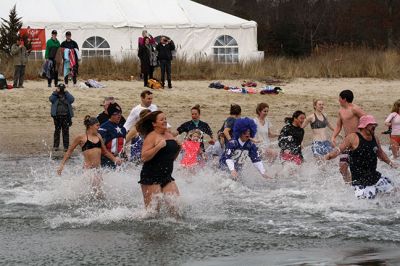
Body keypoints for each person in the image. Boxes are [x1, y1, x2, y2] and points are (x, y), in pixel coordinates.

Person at [325, 115, 396, 199]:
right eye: (371, 124)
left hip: (374, 177)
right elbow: (340, 149)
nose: (374, 126)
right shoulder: (353, 137)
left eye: (375, 124)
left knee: (394, 193)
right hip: (360, 182)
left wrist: (391, 163)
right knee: (367, 205)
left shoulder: (375, 138)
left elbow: (380, 153)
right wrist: (330, 155)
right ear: (364, 126)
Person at [57, 116, 122, 198]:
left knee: (98, 192)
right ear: (90, 126)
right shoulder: (81, 137)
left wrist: (114, 159)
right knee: (97, 192)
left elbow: (105, 151)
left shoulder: (98, 136)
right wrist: (62, 165)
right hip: (89, 170)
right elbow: (69, 151)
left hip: (98, 169)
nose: (99, 127)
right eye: (97, 125)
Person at [136, 111, 181, 213]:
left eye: (165, 119)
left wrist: (179, 148)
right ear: (154, 123)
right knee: (153, 213)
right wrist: (158, 147)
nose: (165, 121)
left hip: (166, 176)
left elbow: (172, 158)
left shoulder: (169, 135)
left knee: (176, 208)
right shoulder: (151, 136)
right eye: (161, 120)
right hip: (151, 176)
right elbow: (144, 157)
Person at [331, 90, 366, 183]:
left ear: (344, 99)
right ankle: (349, 185)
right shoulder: (341, 111)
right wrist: (333, 137)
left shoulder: (355, 109)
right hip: (346, 142)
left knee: (358, 167)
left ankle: (359, 184)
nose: (338, 100)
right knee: (342, 168)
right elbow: (338, 126)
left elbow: (367, 120)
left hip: (357, 141)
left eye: (339, 98)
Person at [98, 103, 127, 168]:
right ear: (111, 115)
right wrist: (113, 159)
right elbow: (100, 148)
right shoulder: (104, 128)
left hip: (119, 161)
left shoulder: (123, 129)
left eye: (120, 113)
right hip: (106, 161)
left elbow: (122, 146)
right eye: (116, 114)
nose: (119, 116)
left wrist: (125, 157)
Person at [49, 84, 74, 152]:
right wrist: (56, 92)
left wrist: (66, 92)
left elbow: (72, 100)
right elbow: (51, 99)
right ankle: (56, 146)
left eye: (62, 88)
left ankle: (66, 147)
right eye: (60, 88)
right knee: (57, 131)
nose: (61, 89)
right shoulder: (55, 95)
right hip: (57, 116)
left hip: (66, 116)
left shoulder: (67, 95)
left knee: (66, 132)